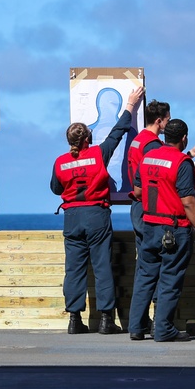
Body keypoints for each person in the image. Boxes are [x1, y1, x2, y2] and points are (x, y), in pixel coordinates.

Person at [52, 85, 144, 334]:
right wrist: (130, 105)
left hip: (72, 217)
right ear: (87, 139)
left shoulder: (60, 162)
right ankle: (106, 320)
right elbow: (117, 133)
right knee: (102, 267)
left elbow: (55, 189)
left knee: (73, 270)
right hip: (97, 215)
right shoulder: (98, 154)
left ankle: (74, 320)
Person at [125, 100, 195, 338]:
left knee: (145, 277)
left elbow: (136, 192)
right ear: (184, 139)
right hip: (173, 229)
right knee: (169, 279)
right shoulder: (182, 163)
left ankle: (136, 328)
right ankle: (163, 328)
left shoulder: (149, 157)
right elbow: (188, 201)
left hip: (150, 225)